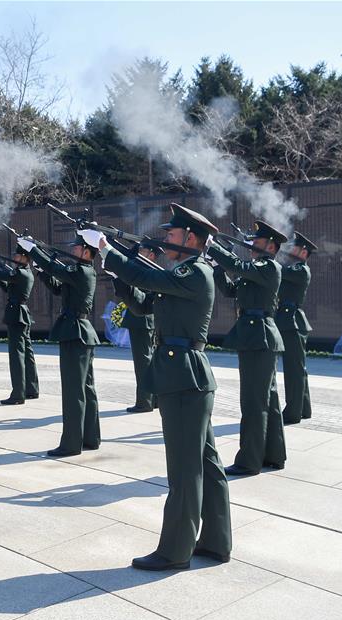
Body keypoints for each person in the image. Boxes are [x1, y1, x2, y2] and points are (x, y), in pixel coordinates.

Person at [100, 202, 231, 571]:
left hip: (184, 376)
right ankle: (215, 542)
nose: (166, 239)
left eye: (172, 234)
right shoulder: (183, 273)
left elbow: (150, 281)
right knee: (206, 462)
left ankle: (175, 551)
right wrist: (117, 274)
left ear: (192, 238)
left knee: (185, 469)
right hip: (185, 375)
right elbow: (143, 305)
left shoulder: (194, 273)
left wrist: (108, 252)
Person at [208, 220, 287, 476]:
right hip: (255, 337)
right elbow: (231, 290)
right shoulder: (256, 269)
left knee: (253, 402)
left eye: (258, 241)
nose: (252, 245)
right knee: (268, 401)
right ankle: (273, 455)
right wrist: (217, 267)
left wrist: (212, 247)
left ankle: (249, 461)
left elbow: (239, 266)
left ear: (271, 246)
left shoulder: (268, 267)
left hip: (259, 337)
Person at [23, 234, 101, 456]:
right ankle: (90, 437)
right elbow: (58, 287)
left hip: (75, 333)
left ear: (87, 251)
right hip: (78, 332)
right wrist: (39, 269)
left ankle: (71, 443)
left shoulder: (81, 271)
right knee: (86, 388)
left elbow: (57, 271)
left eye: (76, 248)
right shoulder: (80, 272)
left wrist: (34, 250)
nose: (73, 251)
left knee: (73, 391)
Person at [0, 244, 39, 405]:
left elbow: (2, 274)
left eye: (18, 256)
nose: (15, 258)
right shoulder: (24, 273)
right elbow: (7, 286)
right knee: (27, 354)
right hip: (20, 314)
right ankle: (31, 389)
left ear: (25, 258)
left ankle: (18, 394)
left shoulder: (21, 273)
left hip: (17, 315)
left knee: (17, 356)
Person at [113, 246, 162, 413]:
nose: (139, 254)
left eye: (143, 251)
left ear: (152, 255)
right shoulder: (149, 271)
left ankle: (145, 402)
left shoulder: (146, 271)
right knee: (150, 361)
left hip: (142, 320)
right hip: (145, 321)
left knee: (143, 363)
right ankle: (154, 400)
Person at [276, 231, 316, 425]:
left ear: (303, 251)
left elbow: (279, 271)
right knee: (298, 369)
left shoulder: (300, 270)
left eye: (294, 246)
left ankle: (293, 413)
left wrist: (268, 253)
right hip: (289, 321)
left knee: (294, 370)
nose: (290, 249)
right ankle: (304, 409)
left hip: (292, 322)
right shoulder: (295, 268)